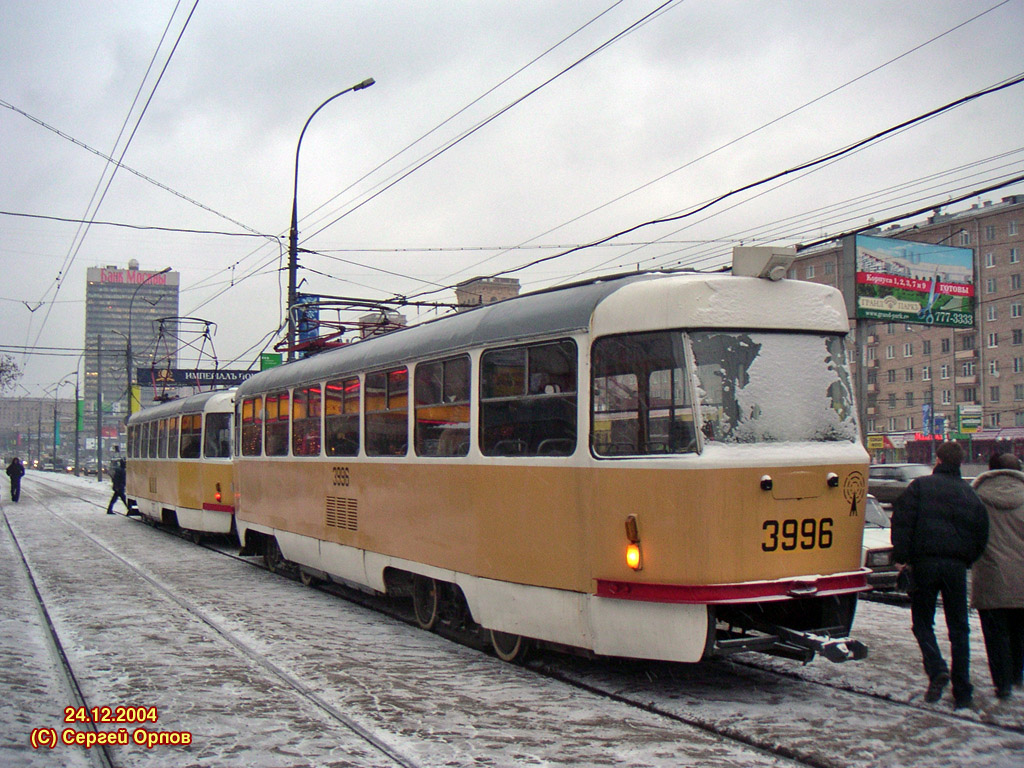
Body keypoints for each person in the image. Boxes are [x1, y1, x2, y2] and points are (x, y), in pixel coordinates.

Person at [891, 441, 989, 709]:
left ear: (937, 459)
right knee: (959, 629)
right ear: (959, 462)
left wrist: (902, 558)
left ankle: (936, 668)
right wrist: (966, 559)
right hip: (956, 568)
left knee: (922, 622)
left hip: (924, 564)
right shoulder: (970, 494)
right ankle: (963, 690)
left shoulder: (920, 487)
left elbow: (902, 521)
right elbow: (982, 532)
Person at [971, 453, 1024, 700]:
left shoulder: (976, 497)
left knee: (995, 634)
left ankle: (1002, 684)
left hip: (990, 575)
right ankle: (1017, 676)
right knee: (1019, 631)